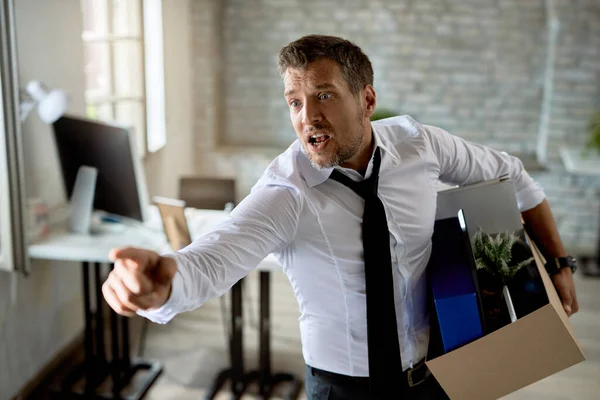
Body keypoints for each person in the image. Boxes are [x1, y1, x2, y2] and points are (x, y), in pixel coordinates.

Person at [102, 34, 579, 399]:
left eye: (324, 96)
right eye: (294, 101)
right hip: (344, 389)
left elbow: (514, 178)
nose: (307, 116)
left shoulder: (420, 145)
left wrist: (557, 264)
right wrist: (163, 283)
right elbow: (213, 259)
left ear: (367, 101)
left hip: (437, 371)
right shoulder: (286, 192)